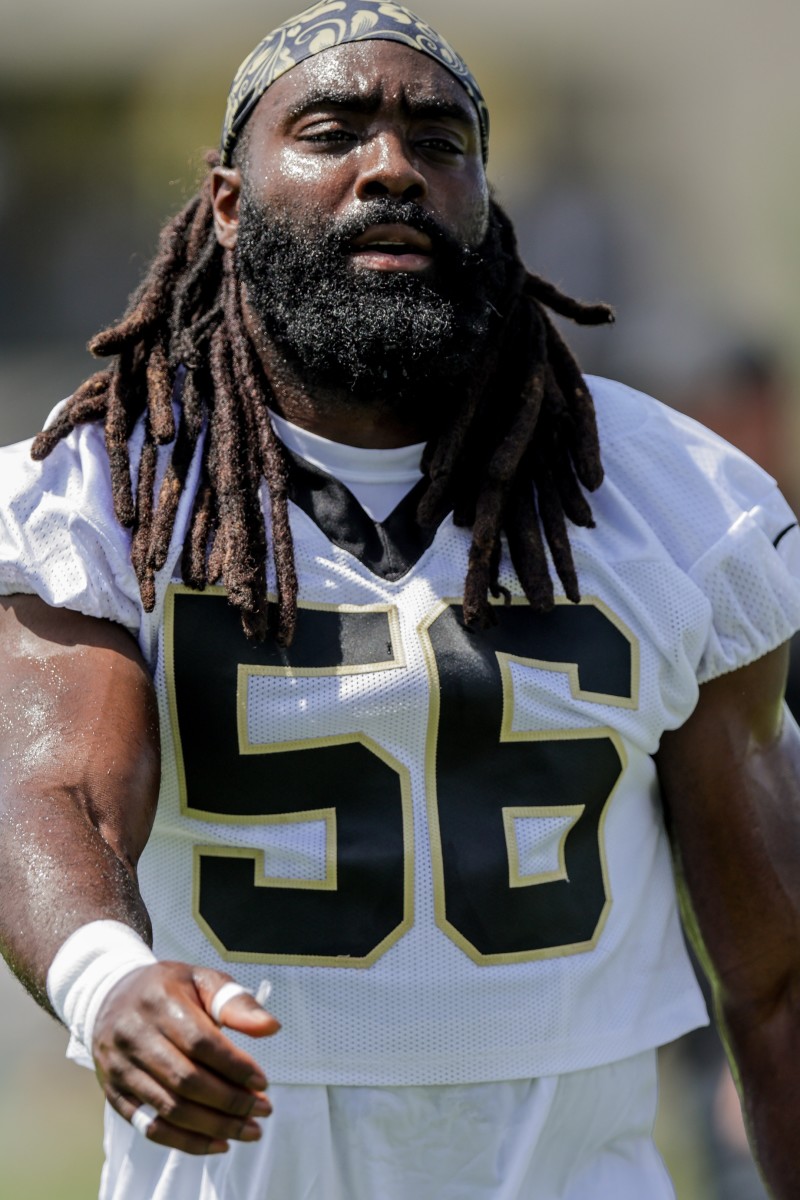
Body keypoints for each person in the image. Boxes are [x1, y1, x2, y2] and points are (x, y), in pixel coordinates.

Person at [1, 3, 800, 1198]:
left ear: (484, 201)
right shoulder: (110, 487)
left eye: (437, 142)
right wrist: (107, 977)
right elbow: (54, 784)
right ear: (227, 204)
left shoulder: (671, 499)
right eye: (330, 132)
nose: (391, 169)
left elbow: (776, 973)